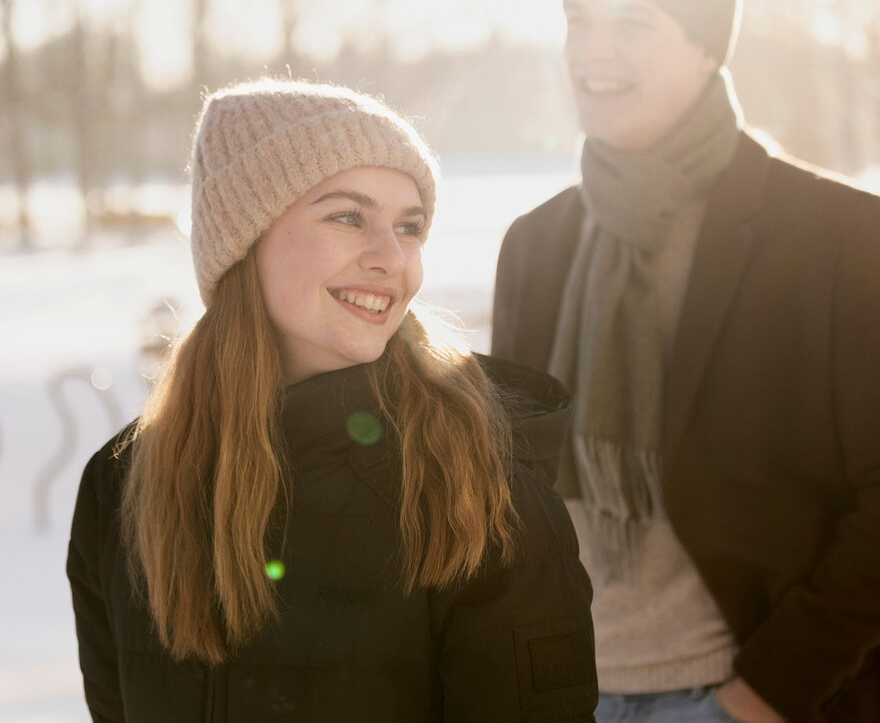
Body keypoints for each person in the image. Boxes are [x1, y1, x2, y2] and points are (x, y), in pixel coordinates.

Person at [67, 80, 598, 722]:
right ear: (244, 240)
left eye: (410, 227)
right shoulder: (123, 486)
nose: (391, 259)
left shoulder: (477, 486)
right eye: (348, 217)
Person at [491, 0, 880, 723]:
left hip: (747, 695)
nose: (594, 49)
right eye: (578, 19)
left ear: (708, 46)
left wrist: (765, 695)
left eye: (633, 21)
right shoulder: (537, 244)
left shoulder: (840, 240)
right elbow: (509, 489)